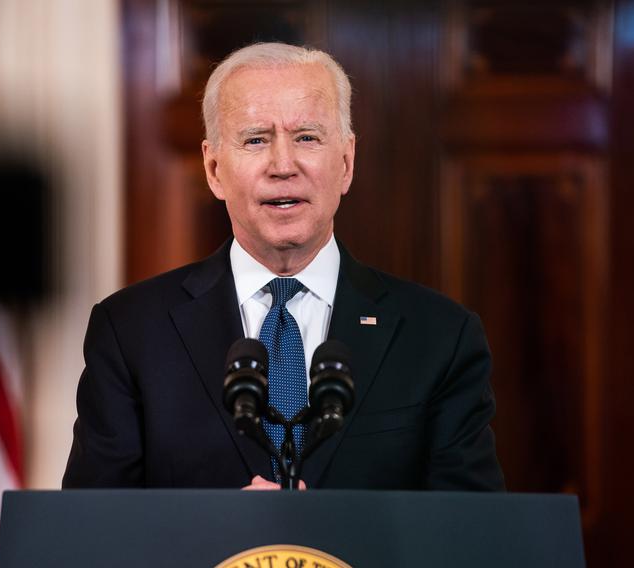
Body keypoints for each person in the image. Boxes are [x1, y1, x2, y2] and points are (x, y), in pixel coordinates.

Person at [62, 42, 504, 491]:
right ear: (214, 168)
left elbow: (473, 535)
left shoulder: (440, 337)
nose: (283, 165)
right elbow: (90, 534)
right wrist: (221, 536)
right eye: (256, 139)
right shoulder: (130, 332)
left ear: (347, 162)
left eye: (307, 137)